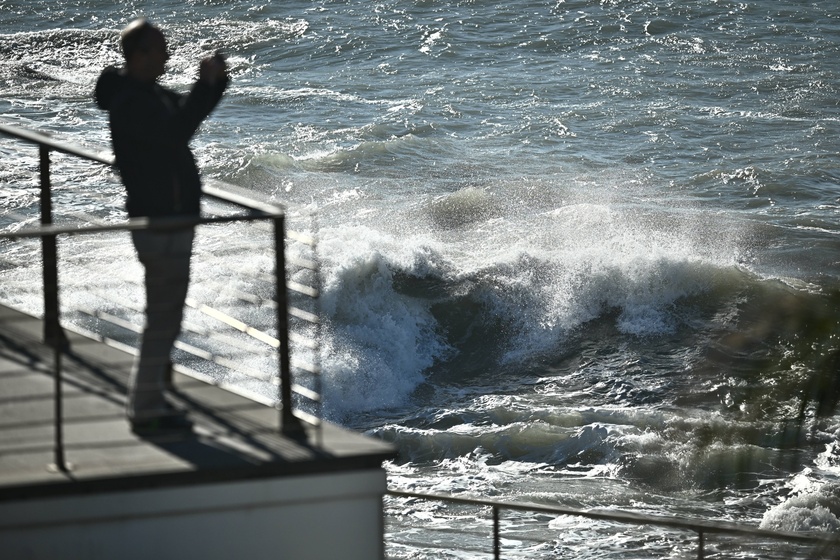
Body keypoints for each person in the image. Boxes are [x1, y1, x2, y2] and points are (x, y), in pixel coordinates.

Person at [94, 18, 228, 436]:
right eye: (160, 49)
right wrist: (206, 88)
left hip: (170, 218)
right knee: (163, 318)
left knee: (165, 315)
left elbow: (183, 123)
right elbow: (175, 134)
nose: (167, 56)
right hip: (160, 221)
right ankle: (145, 407)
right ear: (138, 56)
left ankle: (153, 397)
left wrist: (212, 87)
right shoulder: (133, 102)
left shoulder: (145, 95)